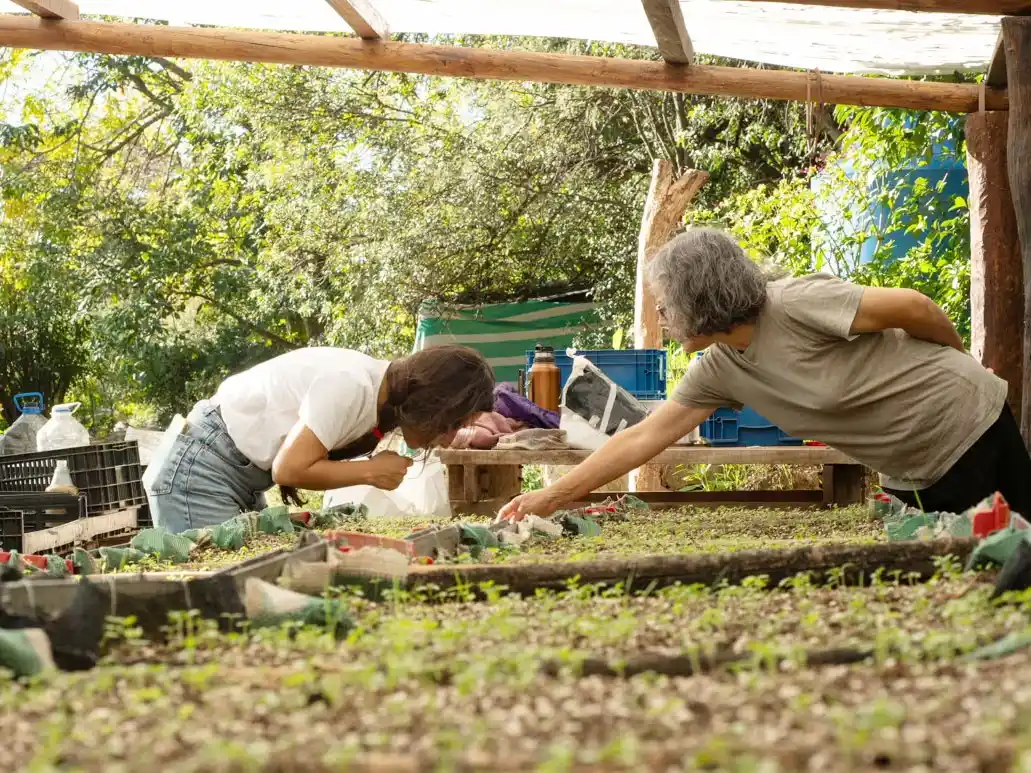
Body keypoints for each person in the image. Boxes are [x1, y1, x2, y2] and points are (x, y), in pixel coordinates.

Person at [501, 227, 1031, 520]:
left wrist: (958, 366)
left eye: (666, 305)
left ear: (698, 297)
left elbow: (914, 307)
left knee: (1008, 550)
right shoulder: (719, 370)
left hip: (967, 425)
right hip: (913, 466)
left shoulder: (796, 303)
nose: (661, 317)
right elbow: (643, 437)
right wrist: (552, 496)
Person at [147, 344, 494, 533]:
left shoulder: (381, 396)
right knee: (216, 594)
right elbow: (289, 470)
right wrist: (371, 472)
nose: (448, 439)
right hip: (202, 470)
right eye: (451, 424)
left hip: (236, 472)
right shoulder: (353, 386)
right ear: (433, 404)